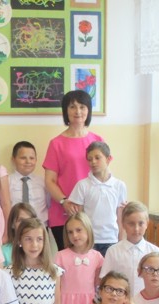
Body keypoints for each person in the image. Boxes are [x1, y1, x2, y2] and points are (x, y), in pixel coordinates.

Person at [43, 90, 104, 250]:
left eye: (82, 107)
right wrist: (64, 201)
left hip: (93, 214)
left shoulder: (98, 140)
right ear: (65, 111)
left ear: (88, 110)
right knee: (68, 260)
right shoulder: (56, 143)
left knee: (93, 261)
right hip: (64, 214)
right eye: (72, 107)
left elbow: (104, 176)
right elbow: (49, 181)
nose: (78, 111)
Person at [68, 141, 126, 256]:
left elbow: (120, 218)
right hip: (90, 240)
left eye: (97, 158)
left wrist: (121, 242)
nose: (93, 162)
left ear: (108, 159)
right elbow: (78, 218)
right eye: (89, 159)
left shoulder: (119, 185)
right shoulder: (82, 185)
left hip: (111, 240)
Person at [55, 212, 103, 304]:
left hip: (89, 303)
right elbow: (56, 287)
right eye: (70, 232)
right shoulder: (61, 256)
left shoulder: (97, 257)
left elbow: (97, 284)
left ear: (88, 230)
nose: (74, 235)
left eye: (78, 230)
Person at [100, 201, 159, 297]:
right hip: (120, 301)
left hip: (147, 302)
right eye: (131, 224)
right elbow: (105, 280)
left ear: (147, 224)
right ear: (123, 224)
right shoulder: (113, 251)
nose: (136, 229)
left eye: (141, 223)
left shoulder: (155, 252)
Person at [9, 141, 49, 229]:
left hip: (40, 228)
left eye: (32, 158)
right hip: (16, 229)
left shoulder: (43, 182)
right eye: (23, 158)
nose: (28, 161)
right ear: (13, 159)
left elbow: (50, 205)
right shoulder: (7, 182)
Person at [2, 202, 38, 267]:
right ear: (12, 224)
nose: (26, 224)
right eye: (21, 220)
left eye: (29, 220)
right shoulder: (3, 251)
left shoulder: (38, 247)